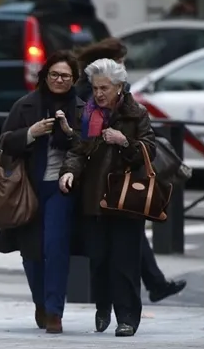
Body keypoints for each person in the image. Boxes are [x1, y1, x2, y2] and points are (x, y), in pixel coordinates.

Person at [76, 38, 187, 302]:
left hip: (124, 181)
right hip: (98, 188)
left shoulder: (130, 106)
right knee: (106, 254)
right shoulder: (89, 99)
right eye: (121, 61)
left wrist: (129, 141)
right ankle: (142, 288)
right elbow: (81, 147)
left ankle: (147, 289)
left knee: (129, 239)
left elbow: (139, 134)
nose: (124, 67)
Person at [59, 58, 157, 337]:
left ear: (119, 87)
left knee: (125, 261)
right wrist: (69, 172)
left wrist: (124, 142)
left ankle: (127, 318)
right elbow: (79, 150)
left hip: (126, 198)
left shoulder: (136, 113)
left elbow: (150, 150)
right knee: (99, 260)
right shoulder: (89, 113)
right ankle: (103, 308)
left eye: (104, 88)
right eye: (95, 88)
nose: (99, 94)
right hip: (95, 197)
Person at [0, 51, 84, 334]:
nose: (59, 80)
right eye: (54, 75)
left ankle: (55, 311)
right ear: (44, 76)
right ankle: (41, 303)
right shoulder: (25, 105)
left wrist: (70, 133)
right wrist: (31, 133)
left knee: (56, 247)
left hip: (62, 188)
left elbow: (88, 149)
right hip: (28, 188)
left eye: (66, 77)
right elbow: (4, 143)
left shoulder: (82, 109)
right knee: (32, 252)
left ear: (74, 80)